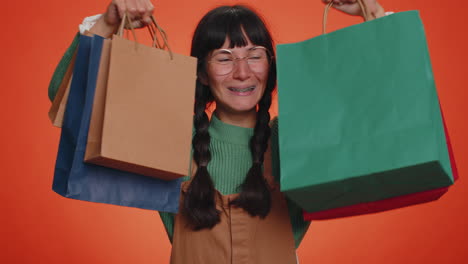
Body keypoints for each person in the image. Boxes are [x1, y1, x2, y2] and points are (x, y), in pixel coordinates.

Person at [48, 0, 387, 263]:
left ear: (271, 66)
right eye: (224, 58)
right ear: (201, 73)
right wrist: (108, 24)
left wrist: (372, 12)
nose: (242, 72)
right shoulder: (169, 138)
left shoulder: (297, 137)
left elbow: (378, 113)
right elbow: (75, 104)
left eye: (255, 56)